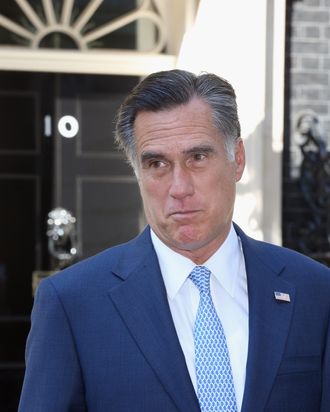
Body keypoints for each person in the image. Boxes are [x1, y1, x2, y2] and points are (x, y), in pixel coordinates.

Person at [18, 69, 330, 412]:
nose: (179, 188)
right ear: (138, 173)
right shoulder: (72, 303)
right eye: (157, 163)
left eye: (197, 158)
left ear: (237, 159)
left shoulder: (315, 291)